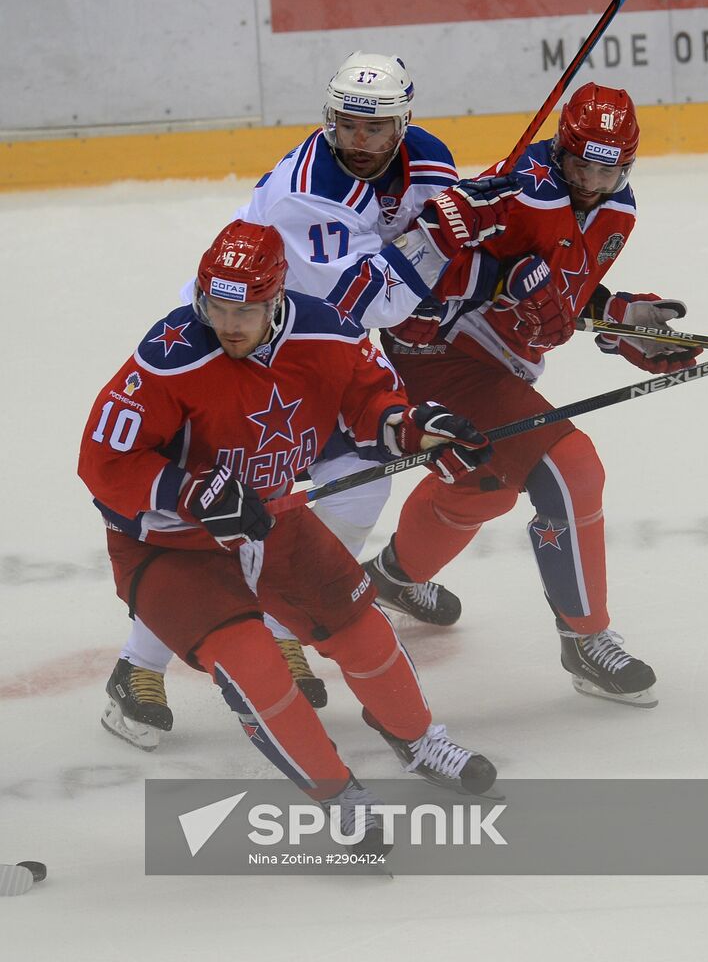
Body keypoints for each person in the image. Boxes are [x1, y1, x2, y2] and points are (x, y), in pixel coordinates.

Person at [100, 51, 491, 747]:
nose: (361, 141)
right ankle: (136, 667)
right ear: (328, 119)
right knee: (222, 515)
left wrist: (474, 219)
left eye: (377, 128)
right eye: (347, 125)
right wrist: (437, 242)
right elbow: (378, 303)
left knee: (355, 488)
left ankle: (281, 626)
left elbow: (417, 255)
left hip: (316, 353)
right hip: (243, 346)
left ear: (405, 122)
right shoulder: (304, 194)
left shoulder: (427, 159)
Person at [78, 219, 500, 848]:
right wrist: (189, 491)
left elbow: (372, 407)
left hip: (270, 519)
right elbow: (102, 461)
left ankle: (418, 741)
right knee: (255, 666)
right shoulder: (170, 355)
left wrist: (420, 430)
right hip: (170, 546)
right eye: (214, 305)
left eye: (244, 309)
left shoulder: (327, 330)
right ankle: (338, 794)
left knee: (364, 630)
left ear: (277, 300)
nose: (227, 323)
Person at [363, 82, 703, 709]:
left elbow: (561, 294)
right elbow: (407, 268)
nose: (594, 181)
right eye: (581, 164)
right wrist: (487, 265)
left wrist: (622, 319)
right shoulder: (517, 191)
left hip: (496, 363)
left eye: (610, 168)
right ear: (559, 148)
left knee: (483, 484)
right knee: (569, 470)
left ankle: (391, 577)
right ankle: (586, 638)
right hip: (440, 354)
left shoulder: (616, 211)